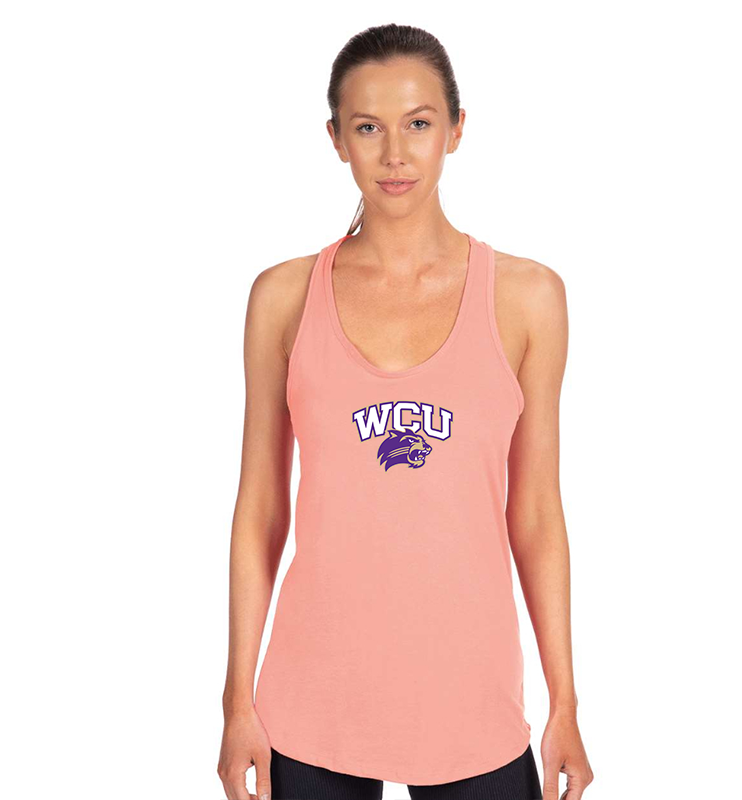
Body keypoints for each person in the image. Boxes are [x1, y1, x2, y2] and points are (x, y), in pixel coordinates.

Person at [218, 22, 593, 800]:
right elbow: (259, 510)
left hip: (473, 703)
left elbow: (536, 514)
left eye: (418, 123)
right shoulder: (282, 298)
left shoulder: (528, 298)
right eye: (368, 128)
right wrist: (236, 702)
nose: (394, 154)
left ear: (456, 129)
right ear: (336, 139)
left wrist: (565, 702)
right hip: (311, 704)